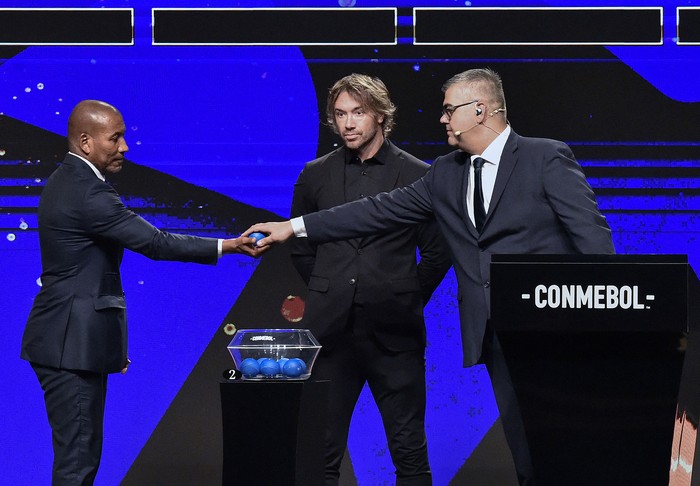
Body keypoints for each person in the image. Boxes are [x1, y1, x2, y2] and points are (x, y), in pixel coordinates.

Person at [245, 68, 616, 485]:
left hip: (556, 333)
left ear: (480, 110)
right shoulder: (446, 172)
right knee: (528, 456)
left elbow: (596, 248)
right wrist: (292, 227)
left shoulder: (545, 156)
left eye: (448, 110)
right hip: (497, 336)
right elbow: (374, 211)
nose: (442, 119)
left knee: (572, 453)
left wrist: (595, 329)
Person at [20, 99, 265, 485]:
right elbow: (156, 243)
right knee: (77, 463)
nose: (125, 147)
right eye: (115, 138)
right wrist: (228, 246)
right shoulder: (88, 192)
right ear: (85, 142)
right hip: (70, 346)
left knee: (79, 458)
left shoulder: (69, 180)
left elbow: (91, 279)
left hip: (70, 342)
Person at [290, 74, 450, 485]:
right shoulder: (315, 174)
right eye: (340, 114)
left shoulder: (420, 174)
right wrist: (329, 285)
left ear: (380, 115)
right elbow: (300, 246)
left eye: (358, 112)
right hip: (330, 333)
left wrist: (405, 292)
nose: (348, 123)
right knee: (318, 454)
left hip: (394, 332)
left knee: (409, 452)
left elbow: (437, 251)